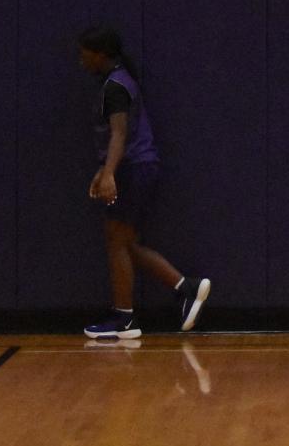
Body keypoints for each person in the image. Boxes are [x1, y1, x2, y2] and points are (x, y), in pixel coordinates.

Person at [78, 26, 210, 340]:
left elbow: (120, 135)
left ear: (100, 54)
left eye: (84, 53)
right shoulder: (119, 79)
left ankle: (124, 318)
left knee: (116, 240)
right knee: (124, 241)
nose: (81, 60)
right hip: (136, 168)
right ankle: (185, 287)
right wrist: (104, 170)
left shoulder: (115, 87)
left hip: (133, 170)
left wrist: (109, 172)